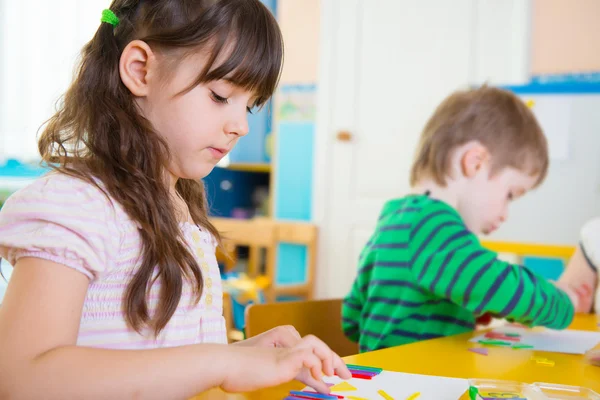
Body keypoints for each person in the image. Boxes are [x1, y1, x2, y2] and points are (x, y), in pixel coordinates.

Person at [0, 2, 350, 398]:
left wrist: (240, 355)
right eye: (220, 95)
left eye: (249, 105)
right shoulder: (78, 206)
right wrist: (221, 362)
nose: (240, 125)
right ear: (140, 70)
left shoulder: (182, 204)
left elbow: (160, 361)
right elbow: (21, 378)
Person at [342, 86, 581, 353]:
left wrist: (449, 308)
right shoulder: (434, 224)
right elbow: (496, 283)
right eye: (510, 195)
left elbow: (352, 319)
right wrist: (564, 301)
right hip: (412, 384)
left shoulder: (395, 219)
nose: (505, 213)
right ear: (475, 162)